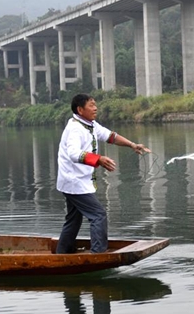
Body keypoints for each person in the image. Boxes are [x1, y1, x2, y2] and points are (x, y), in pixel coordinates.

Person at [56, 94, 150, 254]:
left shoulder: (89, 124)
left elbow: (110, 136)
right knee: (98, 215)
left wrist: (132, 145)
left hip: (77, 181)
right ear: (80, 109)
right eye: (91, 105)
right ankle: (98, 254)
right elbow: (73, 153)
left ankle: (62, 254)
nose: (95, 108)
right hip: (74, 181)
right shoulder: (75, 128)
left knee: (73, 219)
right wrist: (98, 159)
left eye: (95, 105)